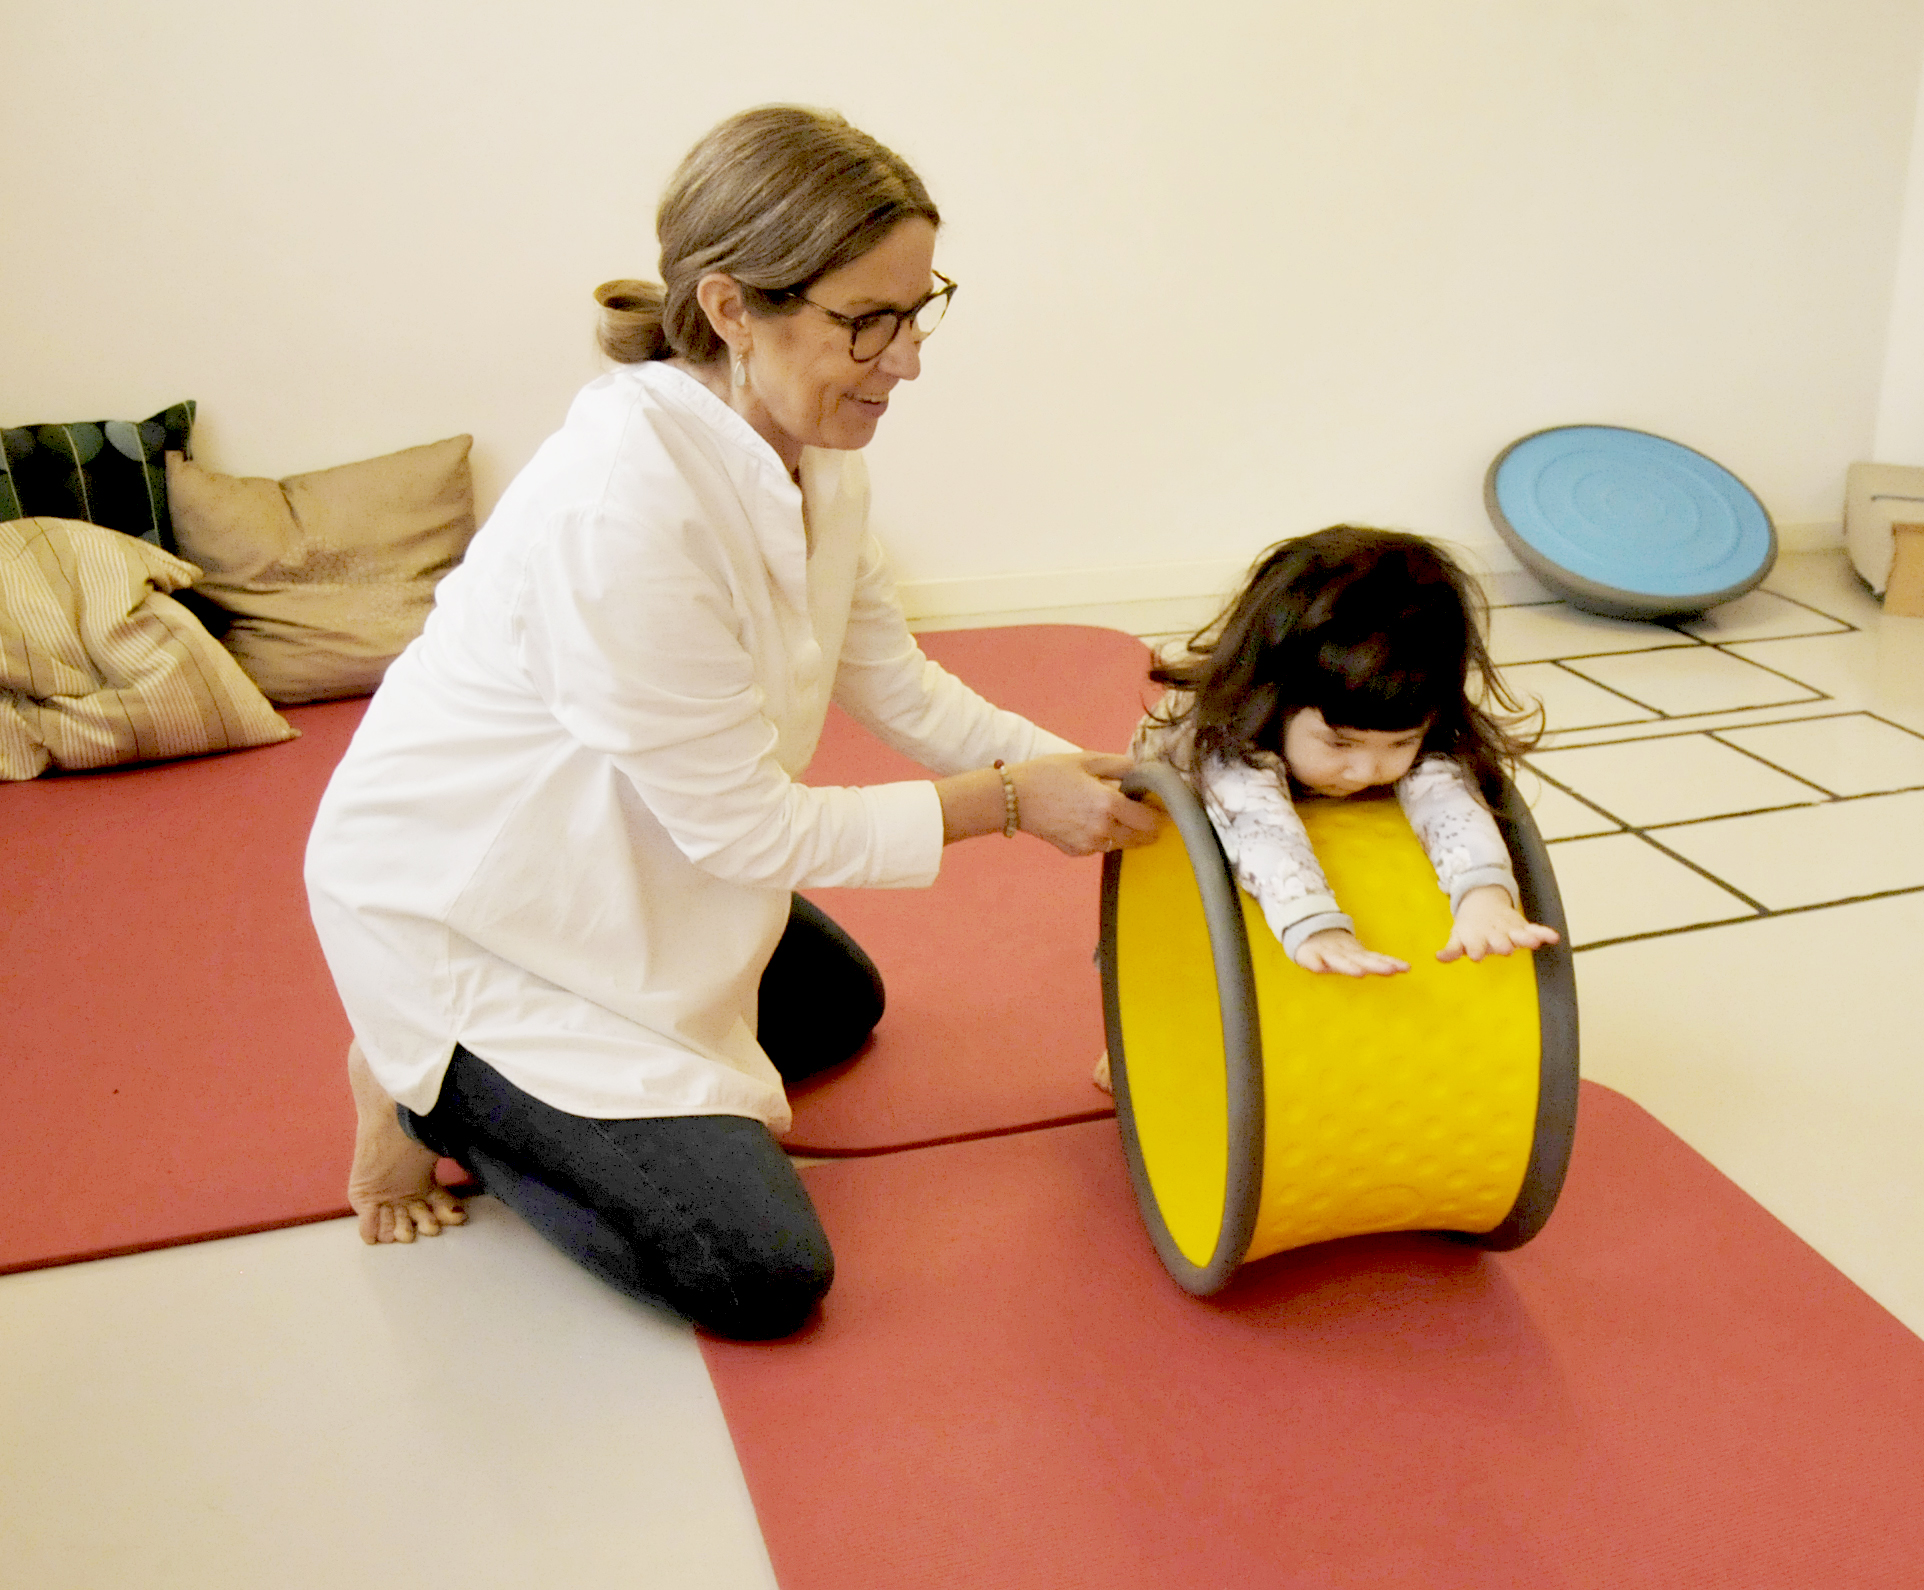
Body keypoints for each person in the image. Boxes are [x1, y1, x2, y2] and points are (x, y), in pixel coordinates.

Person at [306, 105, 1159, 1342]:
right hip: (469, 910)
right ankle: (422, 1082)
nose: (906, 361)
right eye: (867, 321)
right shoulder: (623, 511)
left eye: (918, 310)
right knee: (757, 1272)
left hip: (629, 855)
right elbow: (748, 832)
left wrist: (1075, 764)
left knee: (835, 1006)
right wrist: (1016, 805)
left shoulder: (818, 453)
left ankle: (511, 1076)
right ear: (730, 309)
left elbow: (898, 683)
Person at [1136, 526, 1558, 975]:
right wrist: (1315, 926)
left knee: (1441, 767)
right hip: (1167, 860)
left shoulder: (1399, 708)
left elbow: (1448, 798)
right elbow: (1257, 826)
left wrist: (1484, 898)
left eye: (1402, 742)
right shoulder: (1229, 738)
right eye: (1339, 743)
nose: (1366, 770)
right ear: (1272, 702)